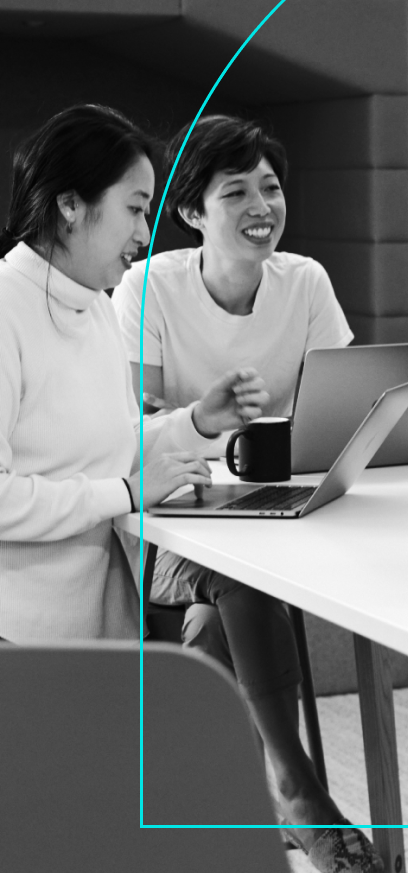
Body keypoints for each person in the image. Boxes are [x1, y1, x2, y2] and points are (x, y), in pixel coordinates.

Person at [111, 114, 377, 873]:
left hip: (278, 510)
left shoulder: (306, 282)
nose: (263, 204)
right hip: (170, 520)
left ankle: (232, 792)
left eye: (271, 185)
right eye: (237, 191)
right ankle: (294, 786)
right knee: (234, 578)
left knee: (215, 621)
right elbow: (134, 423)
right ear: (192, 211)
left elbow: (347, 405)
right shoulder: (147, 286)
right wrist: (212, 428)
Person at [0, 104, 245, 638]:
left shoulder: (94, 304)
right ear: (69, 204)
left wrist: (198, 422)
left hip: (100, 618)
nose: (145, 231)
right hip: (21, 636)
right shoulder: (5, 309)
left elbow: (109, 446)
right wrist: (129, 493)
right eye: (135, 209)